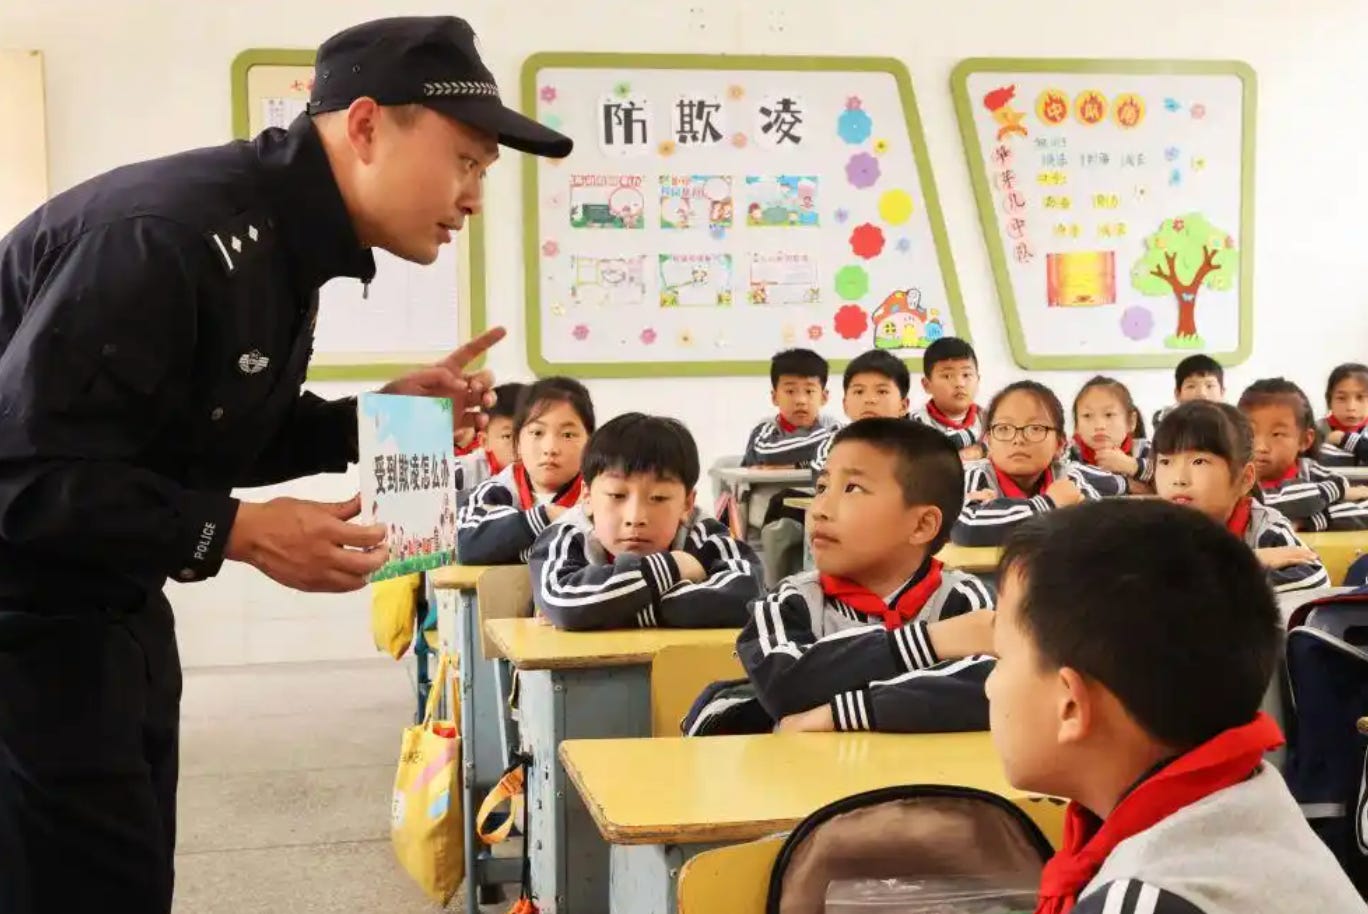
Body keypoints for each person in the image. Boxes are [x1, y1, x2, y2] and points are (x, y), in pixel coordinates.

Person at [0, 15, 570, 913]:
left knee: (124, 873)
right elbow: (21, 478)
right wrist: (238, 531)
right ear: (367, 124)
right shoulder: (166, 236)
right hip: (27, 623)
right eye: (464, 162)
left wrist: (368, 421)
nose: (472, 198)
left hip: (110, 607)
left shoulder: (281, 242)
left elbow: (201, 433)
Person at [986, 499, 1365, 914]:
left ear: (1071, 705)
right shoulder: (1248, 799)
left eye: (999, 657)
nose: (989, 686)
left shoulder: (1149, 900)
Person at [738, 419, 996, 733]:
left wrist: (840, 714)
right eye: (822, 487)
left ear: (921, 525)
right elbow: (785, 686)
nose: (819, 509)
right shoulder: (790, 601)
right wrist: (931, 642)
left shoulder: (962, 599)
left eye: (852, 488)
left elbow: (993, 690)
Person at [531, 413, 763, 630]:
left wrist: (606, 610)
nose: (635, 518)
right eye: (617, 495)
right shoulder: (566, 533)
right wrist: (673, 567)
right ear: (587, 497)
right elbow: (561, 602)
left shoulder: (704, 532)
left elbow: (746, 596)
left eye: (658, 498)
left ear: (687, 504)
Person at [1153, 401, 1328, 594]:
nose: (1179, 479)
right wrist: (1244, 561)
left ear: (1245, 479)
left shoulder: (1266, 529)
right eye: (1165, 462)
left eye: (1199, 461)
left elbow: (1314, 578)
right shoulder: (1149, 528)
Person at [953, 381, 1127, 546]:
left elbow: (1095, 522)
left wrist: (1000, 513)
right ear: (988, 441)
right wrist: (1049, 504)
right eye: (1004, 428)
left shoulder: (1067, 476)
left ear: (1060, 444)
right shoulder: (976, 474)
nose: (1018, 439)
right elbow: (966, 527)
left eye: (1035, 428)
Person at [457, 377, 594, 565]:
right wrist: (547, 515)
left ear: (590, 443)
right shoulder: (496, 489)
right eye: (537, 433)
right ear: (518, 442)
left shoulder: (601, 492)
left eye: (567, 435)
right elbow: (464, 544)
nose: (550, 448)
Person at [1239, 378, 1368, 531]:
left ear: (1305, 440)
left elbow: (1354, 501)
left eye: (1277, 434)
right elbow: (1264, 504)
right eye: (1250, 434)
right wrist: (1333, 493)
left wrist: (1312, 520)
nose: (1260, 447)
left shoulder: (1310, 470)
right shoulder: (1235, 477)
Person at [810, 349, 911, 474]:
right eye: (859, 392)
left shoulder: (921, 446)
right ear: (845, 405)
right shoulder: (832, 446)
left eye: (882, 391)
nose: (869, 400)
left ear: (903, 406)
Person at [741, 348, 839, 468]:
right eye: (790, 391)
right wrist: (830, 442)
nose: (800, 400)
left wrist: (795, 465)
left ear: (824, 397)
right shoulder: (764, 430)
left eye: (809, 391)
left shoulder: (832, 426)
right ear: (775, 397)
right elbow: (768, 454)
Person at [1069, 375, 1153, 492]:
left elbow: (1170, 473)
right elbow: (1071, 478)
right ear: (1077, 426)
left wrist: (1131, 465)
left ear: (1131, 421)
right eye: (1087, 416)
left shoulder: (1145, 449)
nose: (1099, 425)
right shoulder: (1069, 454)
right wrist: (1127, 484)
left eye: (1109, 415)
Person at [911, 336, 986, 460]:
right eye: (947, 376)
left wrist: (981, 450)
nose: (959, 383)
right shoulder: (913, 426)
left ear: (978, 380)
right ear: (926, 385)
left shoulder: (991, 421)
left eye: (966, 375)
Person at [455, 380, 526, 493]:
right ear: (484, 441)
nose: (521, 448)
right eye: (508, 436)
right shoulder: (464, 473)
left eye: (533, 433)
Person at [1152, 353, 1225, 429]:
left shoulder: (1230, 424)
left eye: (1209, 386)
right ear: (1177, 394)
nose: (1201, 394)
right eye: (1191, 386)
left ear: (1222, 392)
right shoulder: (1167, 425)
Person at [1318, 363, 1368, 467]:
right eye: (1341, 398)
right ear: (1329, 401)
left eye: (1360, 398)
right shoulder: (1315, 431)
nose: (1351, 407)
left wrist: (1345, 439)